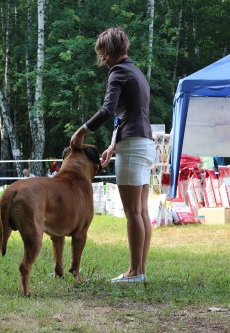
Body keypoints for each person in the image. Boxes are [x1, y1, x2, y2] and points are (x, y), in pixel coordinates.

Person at [70, 28, 155, 283]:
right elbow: (130, 114)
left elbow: (108, 110)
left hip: (133, 145)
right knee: (142, 211)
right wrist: (113, 144)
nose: (103, 59)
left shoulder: (118, 72)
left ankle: (134, 272)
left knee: (132, 213)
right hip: (145, 143)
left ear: (111, 51)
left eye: (104, 53)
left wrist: (81, 131)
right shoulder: (136, 72)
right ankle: (139, 270)